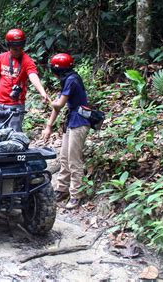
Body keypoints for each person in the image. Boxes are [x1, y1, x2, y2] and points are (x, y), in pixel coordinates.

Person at [41, 53, 90, 209]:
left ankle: (76, 195)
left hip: (80, 122)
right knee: (64, 157)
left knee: (74, 160)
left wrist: (49, 101)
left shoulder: (71, 80)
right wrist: (48, 126)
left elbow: (59, 105)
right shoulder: (67, 80)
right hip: (72, 121)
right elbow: (58, 106)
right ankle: (62, 189)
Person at [0, 28, 49, 131]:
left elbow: (32, 75)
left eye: (20, 48)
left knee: (13, 135)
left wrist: (42, 91)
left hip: (15, 105)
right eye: (15, 49)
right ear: (9, 46)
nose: (18, 51)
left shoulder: (27, 60)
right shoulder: (1, 57)